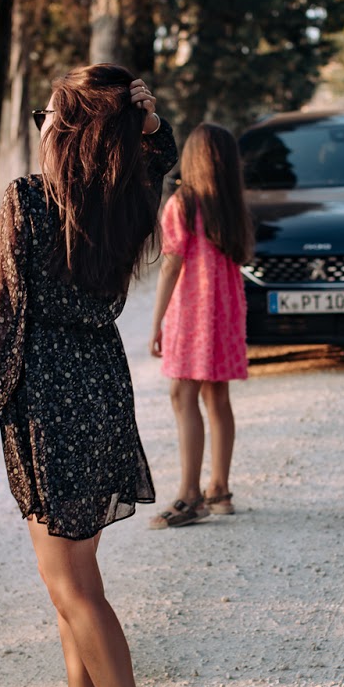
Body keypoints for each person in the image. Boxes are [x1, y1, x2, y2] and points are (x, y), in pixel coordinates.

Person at [0, 63, 176, 687]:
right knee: (74, 578)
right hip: (99, 386)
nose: (42, 125)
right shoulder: (124, 200)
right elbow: (156, 154)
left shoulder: (30, 200)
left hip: (48, 397)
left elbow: (1, 309)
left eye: (51, 114)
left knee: (72, 586)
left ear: (72, 129)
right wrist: (146, 125)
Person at [148, 123, 253, 527]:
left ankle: (190, 496)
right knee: (216, 398)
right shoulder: (231, 205)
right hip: (225, 312)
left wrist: (157, 322)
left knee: (182, 394)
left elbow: (171, 264)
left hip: (193, 313)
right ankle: (219, 490)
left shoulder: (182, 202)